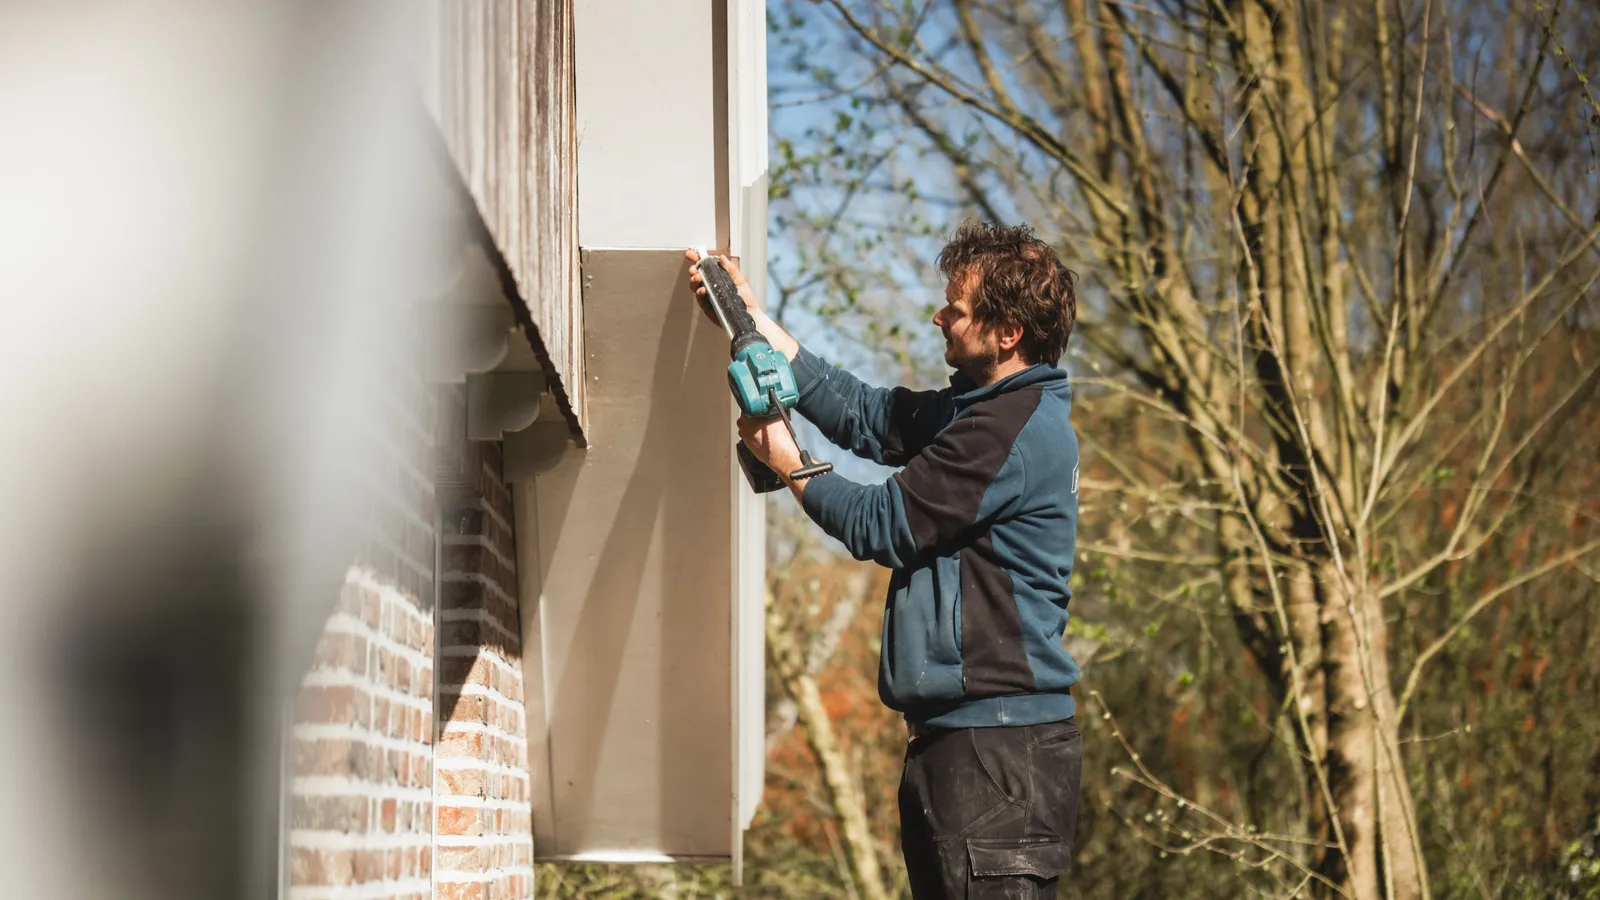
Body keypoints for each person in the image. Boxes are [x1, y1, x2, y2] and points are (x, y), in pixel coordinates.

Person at [687, 220, 1083, 899]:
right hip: (966, 747)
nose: (939, 317)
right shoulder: (984, 413)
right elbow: (868, 417)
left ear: (1007, 332)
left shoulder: (1010, 432)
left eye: (955, 310)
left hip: (995, 753)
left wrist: (788, 462)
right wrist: (752, 319)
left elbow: (885, 523)